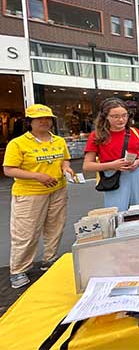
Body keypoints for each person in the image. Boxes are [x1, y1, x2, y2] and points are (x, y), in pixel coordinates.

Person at [3, 104, 73, 289]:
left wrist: (66, 168)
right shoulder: (18, 143)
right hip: (29, 194)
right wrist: (37, 176)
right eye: (39, 119)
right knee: (25, 233)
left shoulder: (58, 140)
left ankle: (49, 260)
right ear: (30, 122)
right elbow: (8, 169)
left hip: (58, 190)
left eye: (47, 118)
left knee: (55, 228)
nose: (44, 122)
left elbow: (65, 159)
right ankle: (18, 270)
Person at [83, 98, 139, 211]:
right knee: (117, 211)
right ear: (106, 117)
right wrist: (112, 165)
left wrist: (137, 162)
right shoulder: (97, 135)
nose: (121, 119)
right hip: (112, 176)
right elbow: (87, 165)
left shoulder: (135, 132)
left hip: (135, 174)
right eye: (115, 117)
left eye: (124, 115)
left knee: (138, 210)